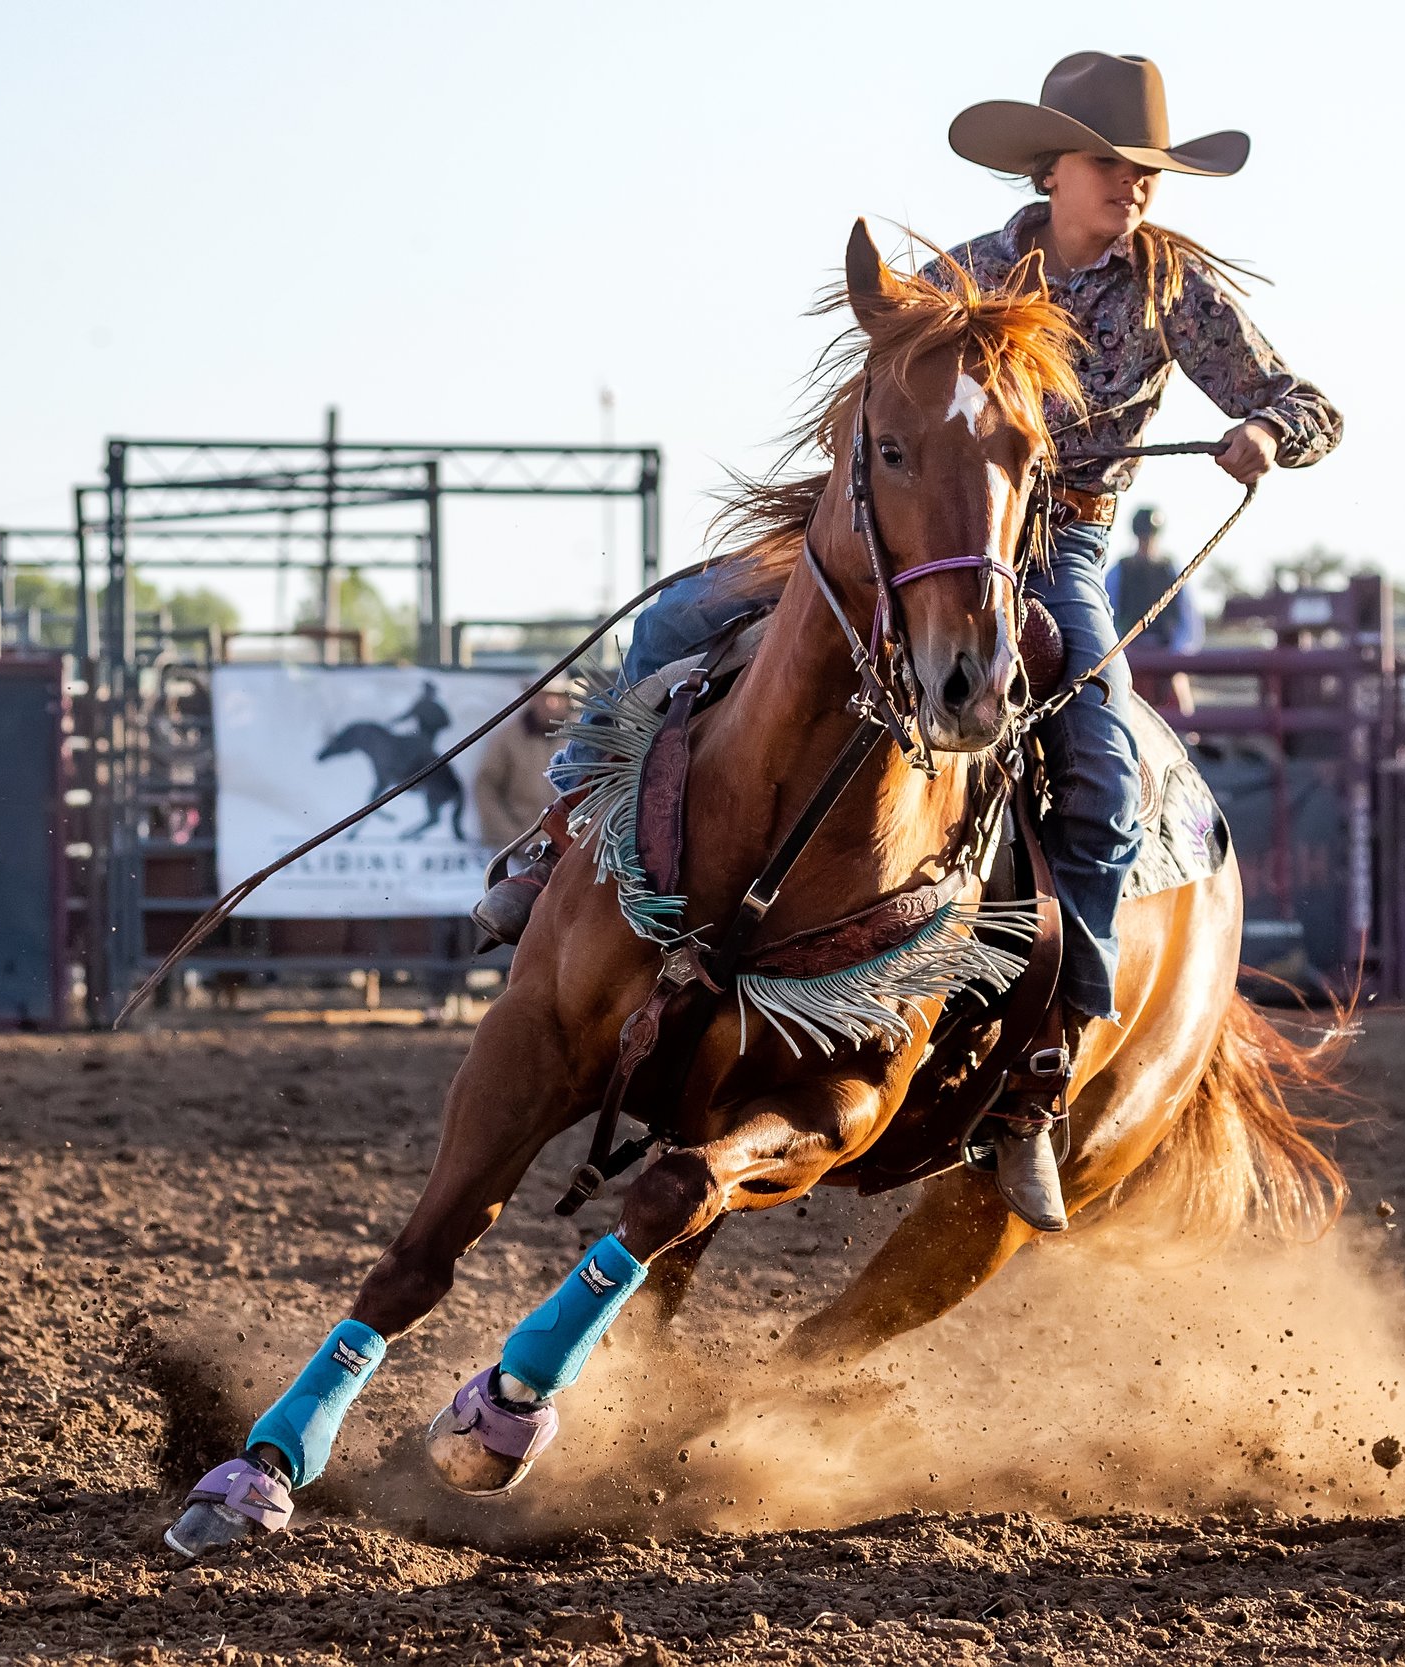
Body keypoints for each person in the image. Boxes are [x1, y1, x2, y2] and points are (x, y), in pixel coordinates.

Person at [471, 51, 1340, 1232]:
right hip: (906, 534)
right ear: (1052, 167)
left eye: (1145, 171)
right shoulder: (965, 275)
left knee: (1095, 765)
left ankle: (1041, 1068)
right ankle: (560, 831)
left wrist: (1263, 433)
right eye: (1109, 165)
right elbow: (887, 406)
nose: (1131, 187)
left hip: (1054, 548)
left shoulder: (1170, 288)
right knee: (678, 619)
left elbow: (1306, 401)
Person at [472, 681, 574, 854]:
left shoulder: (585, 740)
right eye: (545, 695)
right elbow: (486, 788)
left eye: (559, 696)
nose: (552, 703)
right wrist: (513, 838)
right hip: (518, 851)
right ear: (533, 698)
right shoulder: (507, 738)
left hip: (573, 850)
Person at [1106, 504, 1202, 654]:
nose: (1148, 541)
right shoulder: (1119, 570)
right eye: (1144, 536)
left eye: (1151, 535)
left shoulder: (1172, 570)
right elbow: (1108, 616)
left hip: (1168, 653)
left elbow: (1188, 620)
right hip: (1130, 654)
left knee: (1179, 678)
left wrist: (1177, 653)